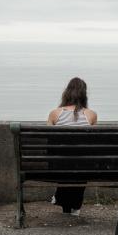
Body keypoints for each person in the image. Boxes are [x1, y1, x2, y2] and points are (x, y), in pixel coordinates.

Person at [48, 77, 97, 216]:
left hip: (59, 166)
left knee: (65, 162)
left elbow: (50, 144)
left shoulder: (55, 114)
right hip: (82, 166)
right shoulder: (91, 115)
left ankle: (62, 202)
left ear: (67, 93)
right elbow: (93, 145)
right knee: (80, 163)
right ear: (84, 95)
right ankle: (76, 206)